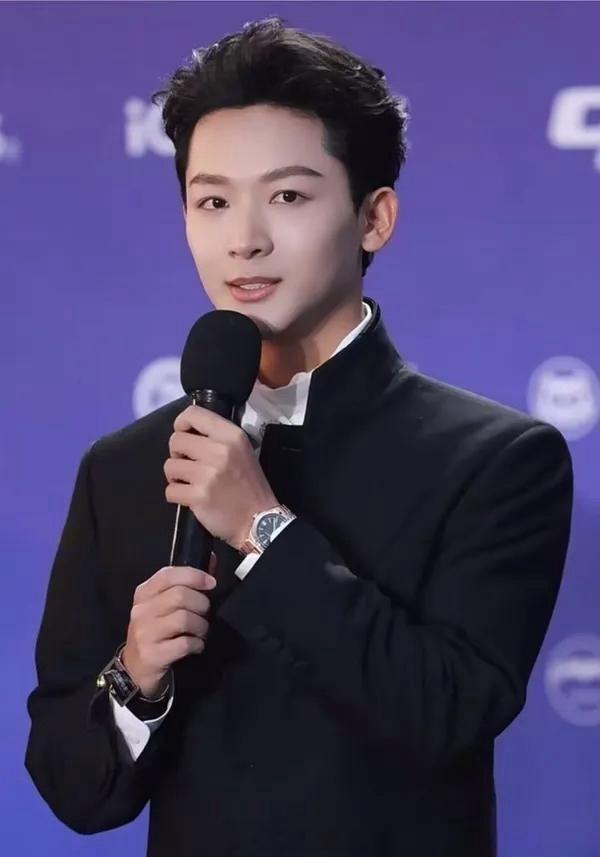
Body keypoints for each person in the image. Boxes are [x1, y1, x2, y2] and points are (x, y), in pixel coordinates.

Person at [25, 16, 573, 857]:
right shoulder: (124, 468)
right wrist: (135, 676)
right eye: (213, 201)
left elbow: (447, 712)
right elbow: (74, 791)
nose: (244, 238)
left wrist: (263, 530)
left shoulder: (495, 460)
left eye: (287, 196)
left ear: (374, 217)